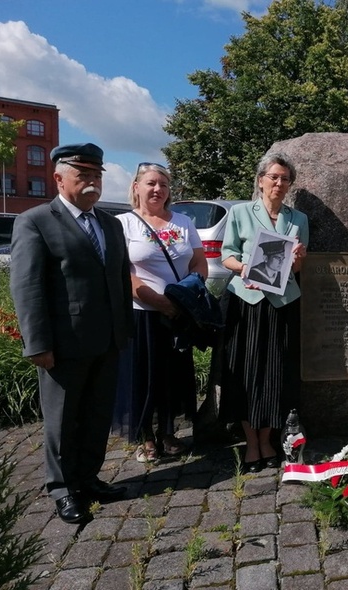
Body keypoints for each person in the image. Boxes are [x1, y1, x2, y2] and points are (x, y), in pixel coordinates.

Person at [9, 143, 133, 524]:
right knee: (62, 421)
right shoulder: (35, 221)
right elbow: (27, 287)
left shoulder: (110, 223)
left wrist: (123, 330)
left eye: (97, 175)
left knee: (97, 415)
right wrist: (38, 343)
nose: (92, 182)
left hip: (107, 340)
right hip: (63, 345)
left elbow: (120, 281)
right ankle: (62, 489)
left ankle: (88, 477)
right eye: (83, 175)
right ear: (59, 178)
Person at [218, 152, 308, 473]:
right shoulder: (241, 213)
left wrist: (298, 259)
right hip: (247, 304)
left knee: (274, 374)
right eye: (273, 177)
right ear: (260, 180)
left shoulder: (298, 219)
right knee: (245, 373)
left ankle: (267, 439)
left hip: (282, 305)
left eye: (285, 179)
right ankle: (250, 442)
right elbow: (227, 255)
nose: (279, 183)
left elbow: (298, 267)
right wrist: (245, 269)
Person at [114, 163, 208, 463]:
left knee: (173, 376)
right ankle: (146, 437)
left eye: (164, 184)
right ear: (136, 187)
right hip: (141, 313)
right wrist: (157, 301)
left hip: (178, 313)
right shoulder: (122, 224)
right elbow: (122, 273)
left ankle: (168, 433)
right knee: (144, 376)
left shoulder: (183, 222)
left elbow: (199, 263)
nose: (158, 189)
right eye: (152, 183)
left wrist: (186, 295)